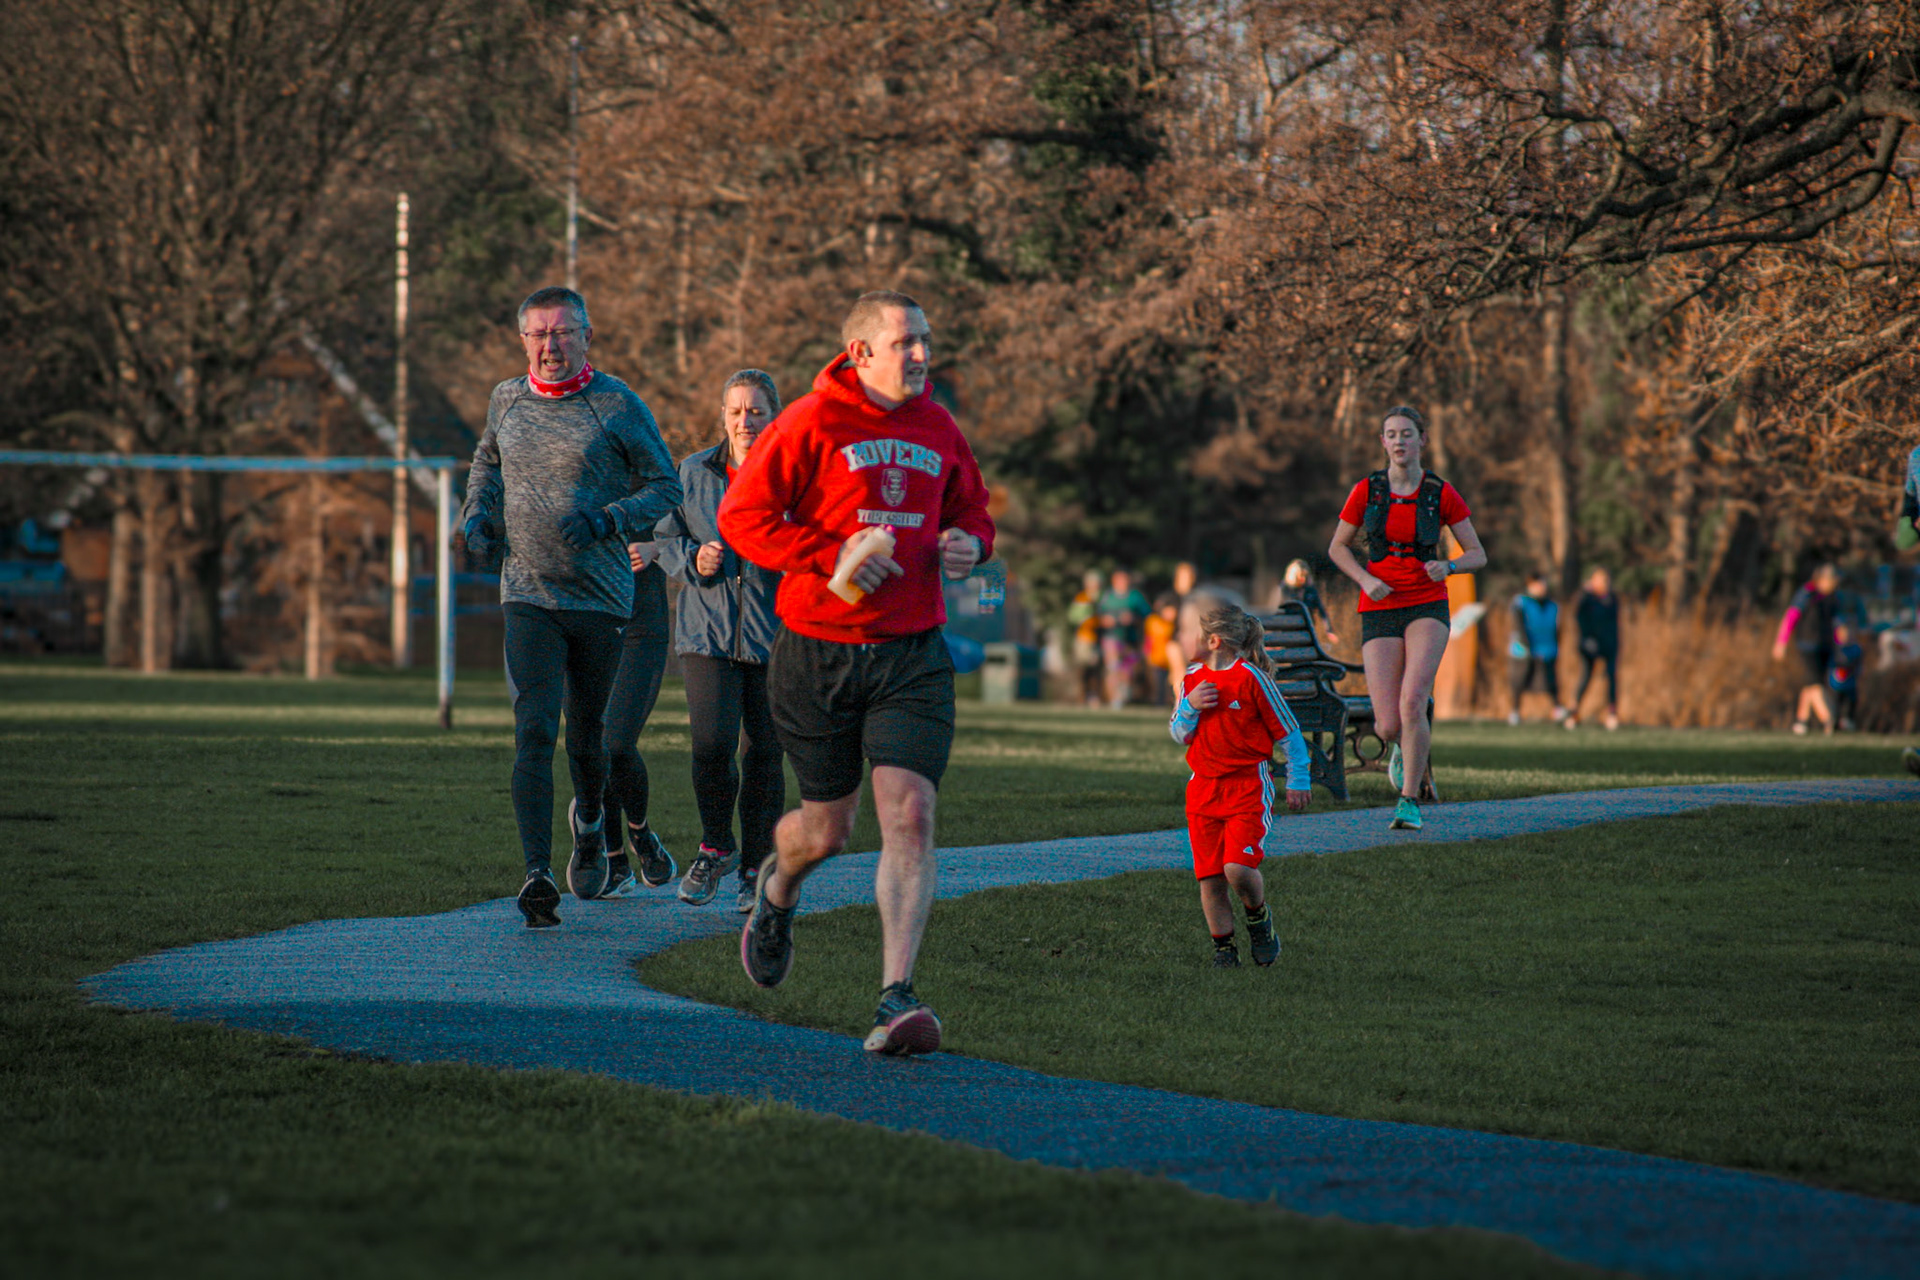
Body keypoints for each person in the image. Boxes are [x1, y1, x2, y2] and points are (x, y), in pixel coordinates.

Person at [717, 289, 994, 1056]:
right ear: (861, 353)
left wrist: (971, 543)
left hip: (911, 653)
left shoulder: (938, 426)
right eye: (906, 342)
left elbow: (973, 510)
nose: (922, 354)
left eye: (925, 339)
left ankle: (895, 996)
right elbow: (741, 517)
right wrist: (826, 553)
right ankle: (778, 888)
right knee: (826, 832)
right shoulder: (810, 421)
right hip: (817, 653)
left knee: (911, 815)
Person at [458, 285, 683, 928]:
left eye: (561, 332)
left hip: (600, 599)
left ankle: (589, 825)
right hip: (528, 592)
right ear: (523, 340)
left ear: (586, 336)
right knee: (534, 729)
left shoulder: (616, 404)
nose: (549, 345)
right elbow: (487, 462)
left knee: (588, 742)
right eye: (538, 334)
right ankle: (536, 875)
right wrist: (476, 516)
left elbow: (665, 485)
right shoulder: (506, 398)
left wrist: (608, 519)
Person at [656, 369, 787, 912]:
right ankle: (716, 847)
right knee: (711, 746)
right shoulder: (693, 472)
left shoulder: (792, 475)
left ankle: (757, 868)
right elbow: (665, 536)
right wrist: (694, 559)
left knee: (764, 754)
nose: (744, 421)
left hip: (775, 635)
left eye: (755, 411)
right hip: (705, 633)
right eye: (735, 411)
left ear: (774, 416)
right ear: (723, 417)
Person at [1327, 405, 1487, 831]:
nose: (1399, 441)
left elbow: (1478, 554)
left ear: (1422, 440)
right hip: (1379, 605)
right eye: (1392, 434)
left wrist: (1449, 566)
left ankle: (1409, 800)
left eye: (1407, 434)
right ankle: (1404, 747)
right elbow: (1337, 547)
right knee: (1387, 723)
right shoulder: (1367, 490)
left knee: (1414, 700)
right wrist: (1365, 580)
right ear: (1383, 443)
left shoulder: (1440, 493)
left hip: (1426, 604)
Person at [1169, 599, 1312, 968]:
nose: (1181, 638)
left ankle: (1258, 917)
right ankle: (1224, 951)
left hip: (1247, 788)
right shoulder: (1191, 679)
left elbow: (1290, 733)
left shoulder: (1252, 679)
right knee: (1210, 878)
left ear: (1213, 640)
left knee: (1237, 868)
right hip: (1203, 791)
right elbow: (1180, 734)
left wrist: (1298, 778)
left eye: (1187, 631)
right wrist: (1190, 706)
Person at [595, 532, 677, 897]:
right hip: (587, 624)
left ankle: (640, 832)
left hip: (641, 626)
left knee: (616, 742)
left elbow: (689, 526)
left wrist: (656, 548)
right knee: (593, 746)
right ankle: (614, 859)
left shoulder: (655, 492)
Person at [1772, 563, 1842, 735]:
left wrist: (1838, 643)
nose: (1833, 584)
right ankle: (1828, 719)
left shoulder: (1832, 598)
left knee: (1810, 684)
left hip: (1825, 645)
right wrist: (1781, 642)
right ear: (1821, 580)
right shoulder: (1807, 594)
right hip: (1807, 644)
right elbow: (1791, 616)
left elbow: (1835, 623)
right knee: (1814, 683)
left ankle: (1800, 721)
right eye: (1830, 580)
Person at [1507, 572, 1568, 726]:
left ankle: (1557, 708)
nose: (1542, 587)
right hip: (1523, 649)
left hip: (1547, 647)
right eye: (1538, 584)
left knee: (1550, 679)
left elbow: (1558, 627)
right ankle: (1515, 711)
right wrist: (1526, 643)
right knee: (1521, 678)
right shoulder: (1521, 602)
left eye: (1543, 584)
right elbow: (1518, 624)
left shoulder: (1552, 604)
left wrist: (1556, 643)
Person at [1570, 566, 1620, 730]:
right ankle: (1574, 712)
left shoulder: (1612, 599)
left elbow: (1614, 623)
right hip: (1590, 644)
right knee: (1586, 677)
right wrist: (1587, 639)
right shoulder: (1586, 599)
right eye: (1600, 580)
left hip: (1609, 644)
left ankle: (1612, 713)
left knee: (1611, 678)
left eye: (1606, 580)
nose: (1604, 583)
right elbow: (1580, 618)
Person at [1098, 568, 1150, 709]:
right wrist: (1105, 620)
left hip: (1130, 639)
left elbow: (1148, 614)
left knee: (1127, 670)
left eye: (1124, 580)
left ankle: (1122, 697)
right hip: (1111, 637)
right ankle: (1114, 699)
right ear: (1113, 581)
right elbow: (1097, 616)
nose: (1122, 583)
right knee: (1113, 666)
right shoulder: (1106, 596)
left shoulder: (1135, 597)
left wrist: (1133, 619)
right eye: (1119, 580)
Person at [1274, 558, 1338, 644]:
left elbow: (1321, 611)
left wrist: (1329, 630)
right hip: (1288, 631)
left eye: (1305, 576)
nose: (1303, 579)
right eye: (1300, 576)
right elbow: (1274, 613)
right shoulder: (1283, 590)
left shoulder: (1311, 590)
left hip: (1307, 631)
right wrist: (1275, 635)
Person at [1067, 569, 1105, 707]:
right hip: (1084, 639)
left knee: (1097, 670)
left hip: (1100, 637)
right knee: (1083, 669)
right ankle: (1082, 697)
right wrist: (1087, 619)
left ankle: (1096, 696)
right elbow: (1073, 617)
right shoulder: (1082, 598)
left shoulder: (1103, 597)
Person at [1143, 591, 1178, 706]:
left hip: (1171, 661)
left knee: (1171, 684)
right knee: (1158, 684)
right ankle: (1159, 703)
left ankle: (1170, 703)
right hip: (1156, 659)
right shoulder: (1153, 621)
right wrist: (1147, 654)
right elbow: (1149, 639)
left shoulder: (1176, 624)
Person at [1827, 620, 1863, 732]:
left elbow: (1858, 665)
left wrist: (1855, 671)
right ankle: (1835, 723)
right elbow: (1830, 664)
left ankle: (1849, 721)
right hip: (1836, 684)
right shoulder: (1835, 650)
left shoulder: (1855, 649)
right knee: (1836, 705)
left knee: (1851, 702)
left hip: (1850, 683)